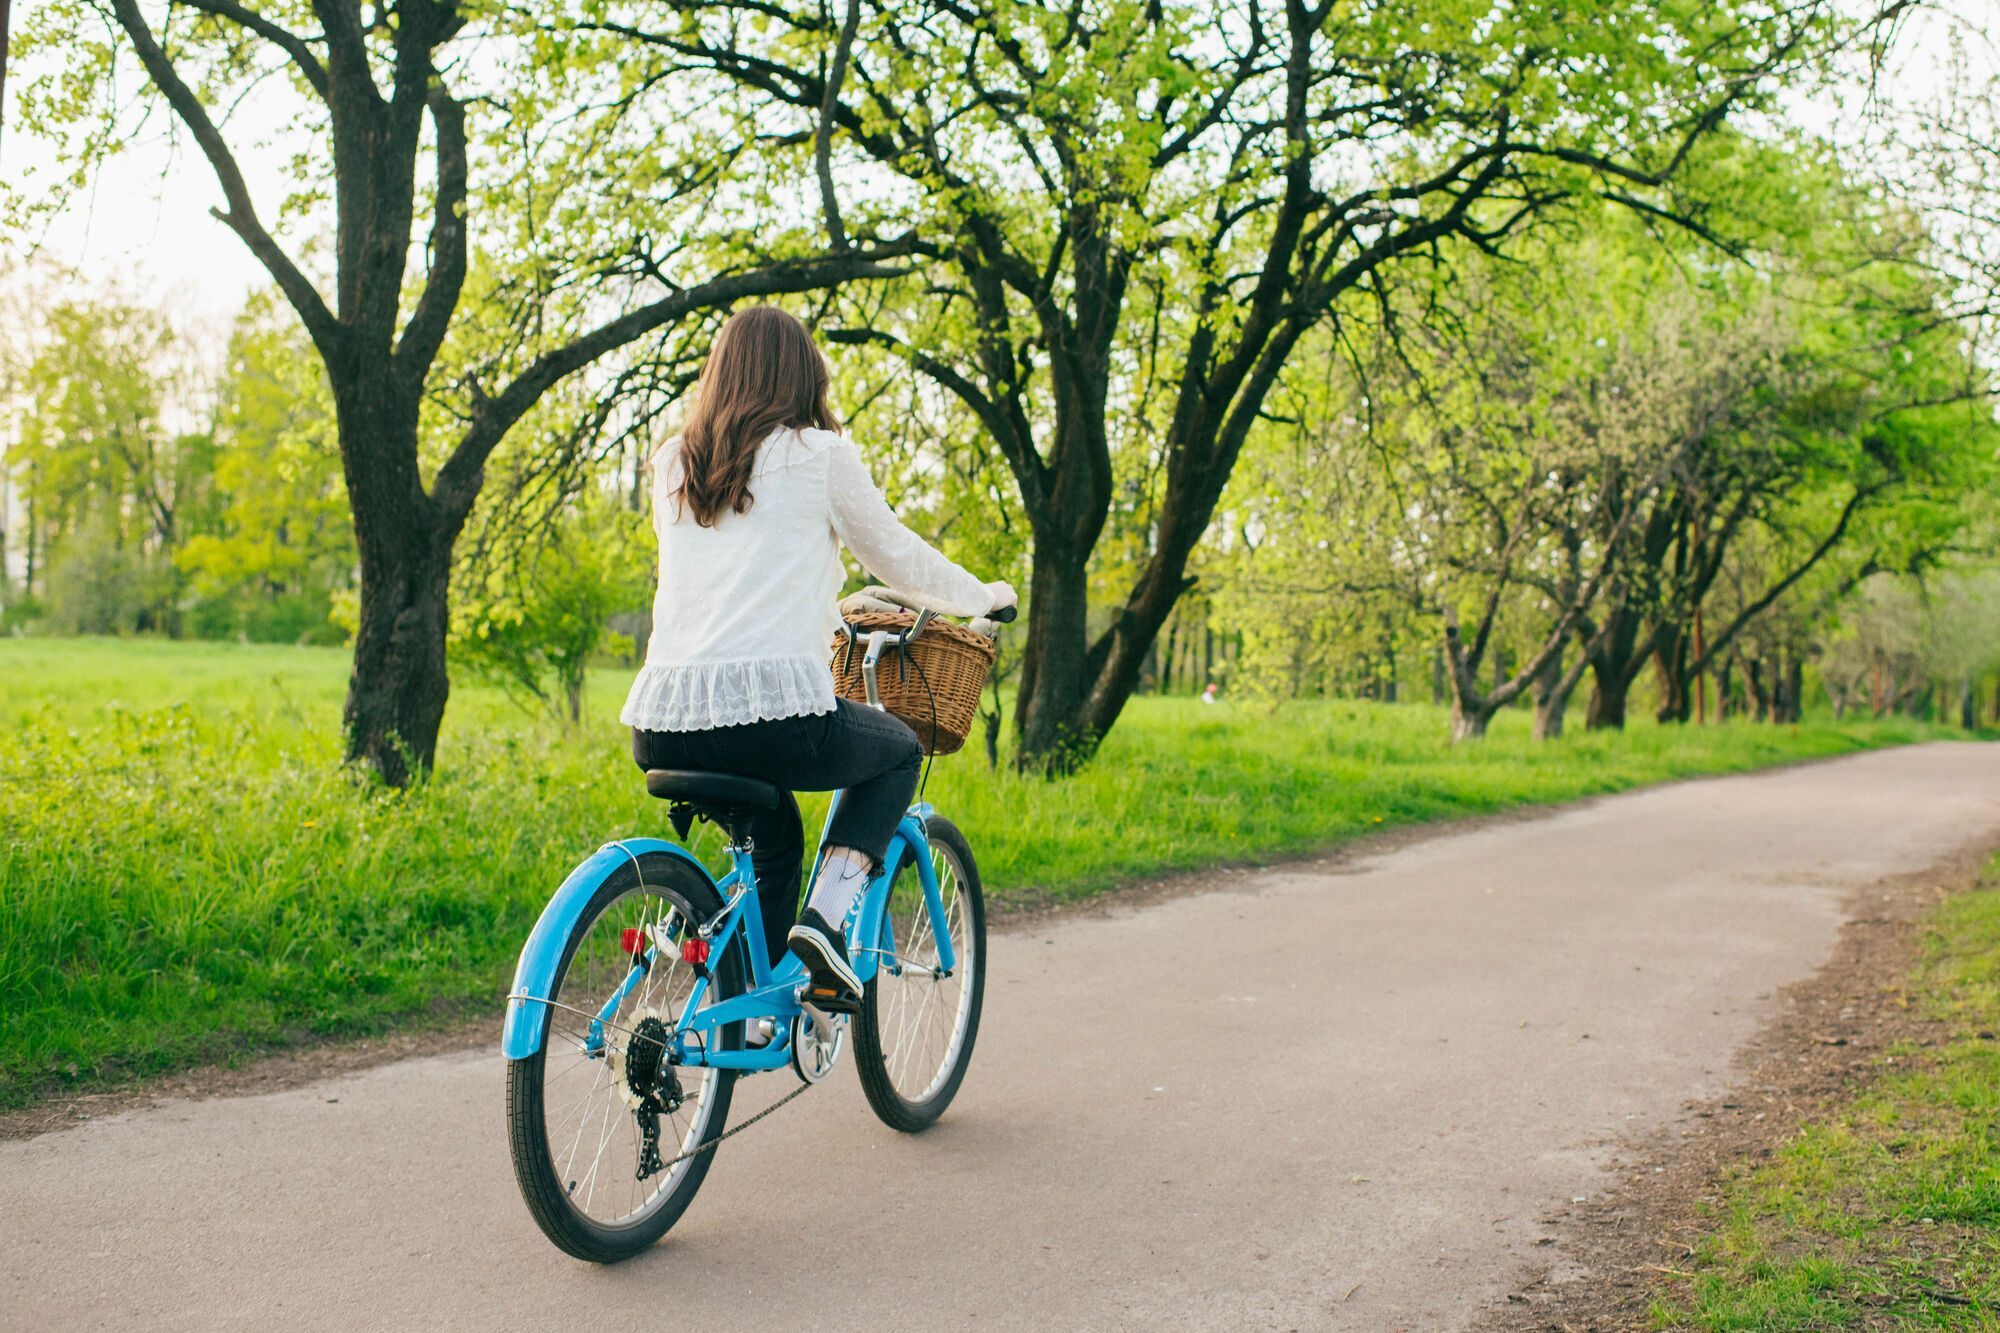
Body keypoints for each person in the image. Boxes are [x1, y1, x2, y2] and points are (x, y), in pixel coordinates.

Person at [621, 306, 1015, 1006]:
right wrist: (981, 595)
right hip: (768, 720)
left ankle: (760, 1014)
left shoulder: (676, 460)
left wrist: (825, 602)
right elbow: (897, 553)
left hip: (660, 723)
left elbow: (728, 579)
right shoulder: (818, 455)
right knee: (898, 752)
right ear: (802, 376)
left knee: (775, 840)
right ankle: (825, 923)